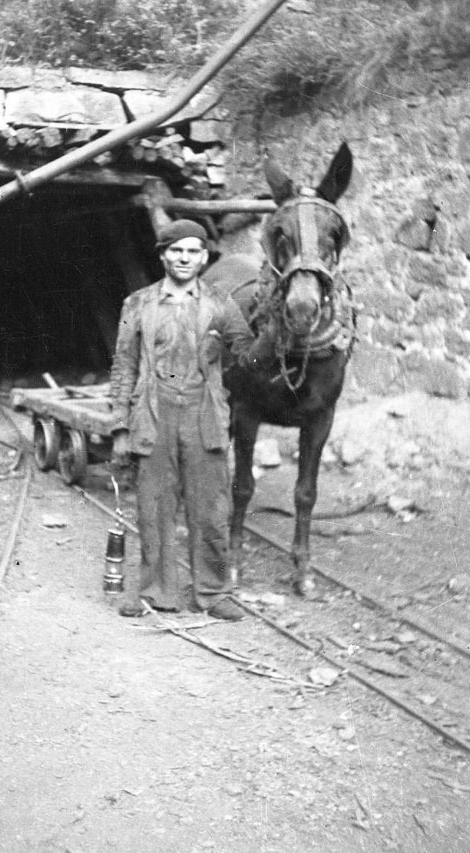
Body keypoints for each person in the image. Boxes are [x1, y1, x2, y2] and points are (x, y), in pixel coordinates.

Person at [109, 219, 274, 621]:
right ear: (163, 254)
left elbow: (249, 358)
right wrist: (119, 427)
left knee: (211, 508)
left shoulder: (221, 304)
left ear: (203, 258)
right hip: (154, 415)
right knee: (154, 507)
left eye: (192, 251)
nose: (184, 258)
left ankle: (213, 592)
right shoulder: (137, 305)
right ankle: (155, 591)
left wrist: (271, 330)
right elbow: (123, 367)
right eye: (176, 250)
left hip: (204, 415)